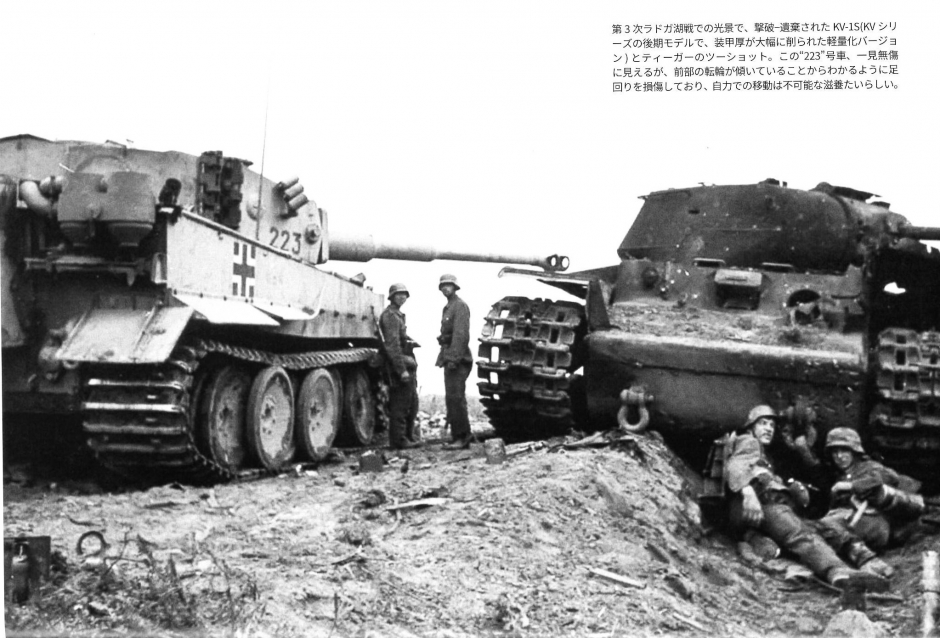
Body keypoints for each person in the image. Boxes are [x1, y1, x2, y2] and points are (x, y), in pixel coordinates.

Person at [724, 405, 888, 590]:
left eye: (771, 425)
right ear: (750, 427)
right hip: (761, 505)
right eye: (763, 423)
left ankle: (755, 540)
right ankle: (838, 571)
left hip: (759, 509)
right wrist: (747, 492)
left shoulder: (763, 453)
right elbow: (736, 466)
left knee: (813, 528)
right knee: (801, 534)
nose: (769, 428)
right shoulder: (749, 442)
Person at [815, 427, 926, 578]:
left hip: (875, 523)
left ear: (855, 451)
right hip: (858, 523)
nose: (839, 456)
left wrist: (851, 486)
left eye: (844, 450)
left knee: (824, 526)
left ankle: (867, 561)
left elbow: (890, 477)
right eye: (835, 452)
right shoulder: (842, 474)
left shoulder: (868, 466)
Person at [380, 283, 421, 449]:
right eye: (398, 294)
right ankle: (399, 440)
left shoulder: (397, 315)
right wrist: (401, 370)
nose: (402, 297)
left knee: (411, 403)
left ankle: (407, 436)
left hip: (405, 363)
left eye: (404, 295)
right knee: (400, 405)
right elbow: (392, 345)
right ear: (392, 297)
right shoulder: (390, 316)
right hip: (398, 366)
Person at [436, 274, 473, 450]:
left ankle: (463, 437)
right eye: (443, 286)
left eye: (449, 285)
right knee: (452, 398)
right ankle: (457, 436)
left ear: (455, 287)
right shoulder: (449, 307)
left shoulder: (460, 306)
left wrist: (454, 359)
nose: (445, 288)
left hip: (458, 359)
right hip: (450, 356)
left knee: (456, 398)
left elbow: (461, 335)